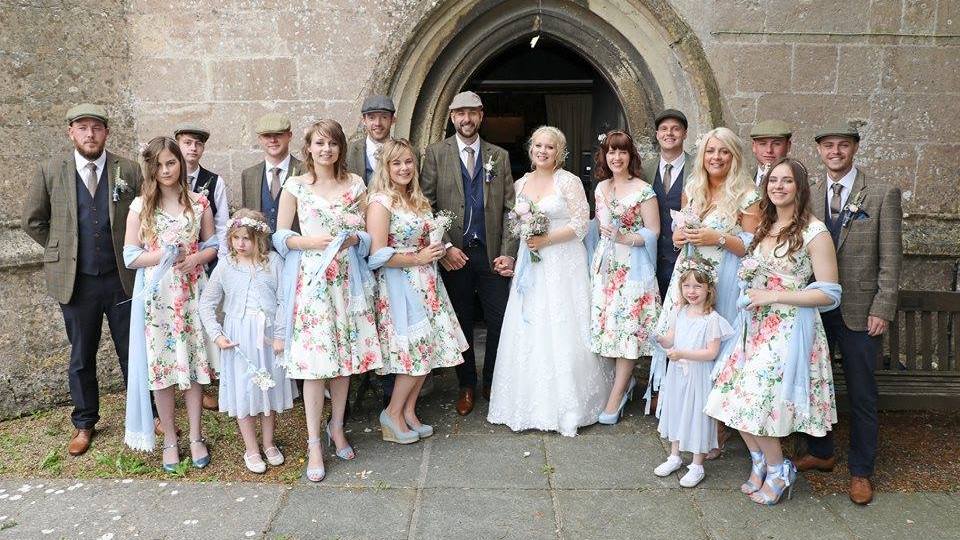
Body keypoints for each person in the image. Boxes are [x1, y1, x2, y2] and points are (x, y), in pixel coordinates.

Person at [705, 157, 840, 506]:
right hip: (754, 325)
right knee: (730, 396)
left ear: (800, 188)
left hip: (789, 328)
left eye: (787, 181)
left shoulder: (814, 232)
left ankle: (781, 471)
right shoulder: (765, 226)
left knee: (757, 402)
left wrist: (774, 295)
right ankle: (760, 462)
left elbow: (829, 294)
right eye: (774, 180)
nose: (778, 186)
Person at [21, 104, 144, 456]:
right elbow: (33, 220)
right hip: (77, 282)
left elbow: (145, 214)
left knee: (133, 350)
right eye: (82, 128)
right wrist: (62, 250)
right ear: (71, 132)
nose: (90, 134)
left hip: (122, 278)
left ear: (106, 133)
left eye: (96, 128)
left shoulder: (128, 169)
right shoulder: (50, 171)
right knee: (81, 355)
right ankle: (85, 422)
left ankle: (147, 414)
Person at [797, 123, 902, 505]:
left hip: (861, 312)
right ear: (819, 150)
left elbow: (891, 257)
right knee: (814, 384)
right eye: (828, 145)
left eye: (843, 145)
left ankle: (861, 470)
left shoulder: (882, 193)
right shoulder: (808, 195)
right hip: (818, 309)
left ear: (855, 149)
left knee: (861, 393)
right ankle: (821, 451)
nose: (835, 152)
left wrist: (882, 307)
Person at [273, 119, 383, 482]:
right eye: (319, 143)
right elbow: (279, 237)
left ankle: (337, 426)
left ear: (340, 148)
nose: (326, 149)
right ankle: (313, 443)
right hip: (314, 283)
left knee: (343, 360)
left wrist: (354, 239)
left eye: (333, 143)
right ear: (308, 147)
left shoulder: (356, 184)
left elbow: (369, 235)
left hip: (347, 281)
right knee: (315, 364)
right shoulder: (295, 186)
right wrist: (308, 242)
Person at [487, 126, 613, 437]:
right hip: (531, 264)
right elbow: (513, 225)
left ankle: (570, 406)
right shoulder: (519, 184)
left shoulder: (568, 181)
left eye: (550, 147)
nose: (543, 151)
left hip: (563, 262)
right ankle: (527, 404)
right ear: (531, 150)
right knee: (529, 325)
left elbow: (581, 223)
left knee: (562, 322)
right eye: (539, 146)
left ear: (559, 153)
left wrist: (547, 240)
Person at [647, 127, 760, 458]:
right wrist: (679, 237)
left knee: (715, 348)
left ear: (734, 156)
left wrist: (718, 238)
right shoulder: (693, 187)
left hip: (724, 277)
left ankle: (717, 429)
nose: (716, 157)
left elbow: (752, 246)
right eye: (711, 151)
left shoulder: (747, 195)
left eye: (724, 151)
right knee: (685, 340)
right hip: (689, 275)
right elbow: (679, 228)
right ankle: (685, 423)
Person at [122, 136, 219, 471]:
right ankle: (169, 440)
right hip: (159, 297)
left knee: (193, 366)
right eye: (158, 165)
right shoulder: (141, 206)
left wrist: (195, 259)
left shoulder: (199, 202)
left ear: (180, 163)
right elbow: (130, 256)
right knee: (162, 369)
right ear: (150, 168)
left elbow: (213, 244)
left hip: (191, 292)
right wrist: (163, 255)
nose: (165, 170)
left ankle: (195, 436)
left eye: (171, 163)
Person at [420, 91, 517, 416]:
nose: (466, 119)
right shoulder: (436, 154)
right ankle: (466, 385)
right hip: (455, 256)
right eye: (460, 113)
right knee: (460, 321)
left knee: (499, 319)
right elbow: (427, 205)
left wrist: (508, 253)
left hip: (491, 254)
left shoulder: (499, 156)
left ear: (481, 115)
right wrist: (446, 247)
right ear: (452, 117)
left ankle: (491, 380)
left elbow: (510, 209)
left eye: (472, 112)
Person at [366, 139, 468, 443]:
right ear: (386, 167)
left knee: (429, 349)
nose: (404, 168)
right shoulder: (381, 202)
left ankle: (409, 412)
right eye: (396, 163)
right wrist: (418, 258)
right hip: (400, 284)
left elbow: (424, 239)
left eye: (408, 161)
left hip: (427, 282)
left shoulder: (417, 199)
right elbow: (377, 255)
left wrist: (435, 250)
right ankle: (392, 413)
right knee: (414, 352)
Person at [198, 209, 297, 474]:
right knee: (244, 389)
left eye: (246, 238)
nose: (240, 244)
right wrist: (217, 335)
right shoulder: (226, 265)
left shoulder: (274, 262)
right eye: (236, 238)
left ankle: (269, 442)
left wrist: (280, 335)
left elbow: (284, 299)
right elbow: (206, 303)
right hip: (238, 336)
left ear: (259, 239)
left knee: (267, 387)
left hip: (267, 336)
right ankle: (251, 448)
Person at [589, 130, 661, 424]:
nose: (616, 157)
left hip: (632, 267)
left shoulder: (644, 190)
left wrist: (625, 238)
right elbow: (598, 227)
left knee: (627, 331)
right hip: (605, 267)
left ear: (631, 156)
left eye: (622, 151)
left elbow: (653, 231)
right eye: (611, 152)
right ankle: (626, 383)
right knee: (608, 331)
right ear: (604, 156)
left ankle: (616, 397)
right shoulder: (600, 188)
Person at [653, 260, 733, 487]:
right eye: (687, 286)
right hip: (678, 372)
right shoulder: (680, 312)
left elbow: (711, 352)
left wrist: (682, 353)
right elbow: (671, 339)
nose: (691, 291)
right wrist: (659, 338)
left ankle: (697, 465)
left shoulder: (712, 319)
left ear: (709, 289)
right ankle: (674, 456)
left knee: (697, 415)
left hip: (698, 375)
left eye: (698, 286)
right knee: (677, 409)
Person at [175, 123, 229, 412]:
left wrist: (211, 261)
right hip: (171, 267)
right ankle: (177, 379)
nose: (193, 148)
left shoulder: (214, 182)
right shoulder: (164, 178)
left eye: (198, 143)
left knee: (201, 322)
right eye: (187, 142)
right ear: (177, 145)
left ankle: (203, 383)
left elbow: (221, 228)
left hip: (203, 263)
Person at [642, 109, 693, 299]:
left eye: (675, 129)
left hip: (685, 259)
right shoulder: (645, 169)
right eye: (664, 129)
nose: (669, 133)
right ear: (657, 134)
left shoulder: (698, 168)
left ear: (685, 134)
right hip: (650, 259)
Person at [241, 113, 302, 233]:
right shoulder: (249, 175)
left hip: (296, 243)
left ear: (289, 136)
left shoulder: (306, 171)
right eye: (267, 135)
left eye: (278, 134)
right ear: (260, 139)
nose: (273, 140)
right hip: (261, 244)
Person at [346, 96, 396, 185]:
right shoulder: (348, 151)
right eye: (372, 118)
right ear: (363, 120)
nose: (378, 123)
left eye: (384, 117)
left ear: (393, 120)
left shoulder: (409, 152)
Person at [749, 120, 792, 186]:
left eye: (776, 144)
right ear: (754, 146)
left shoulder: (799, 181)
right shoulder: (742, 179)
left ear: (788, 146)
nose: (769, 150)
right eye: (763, 144)